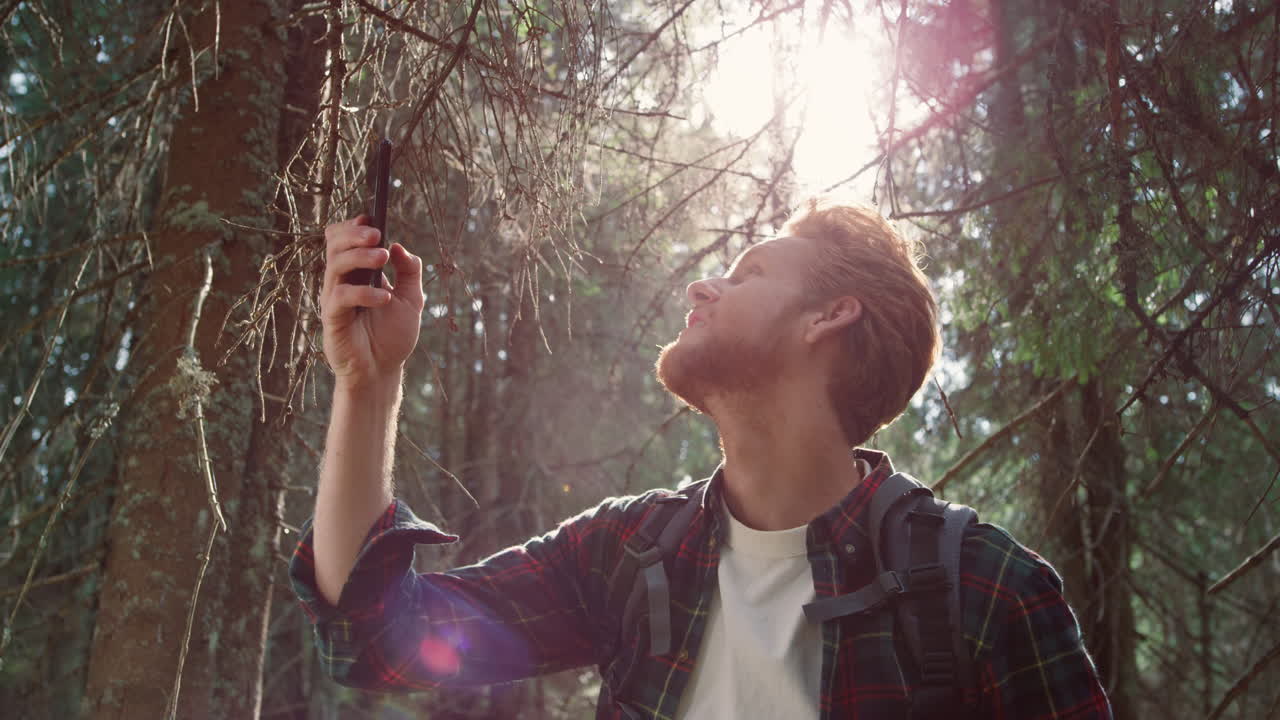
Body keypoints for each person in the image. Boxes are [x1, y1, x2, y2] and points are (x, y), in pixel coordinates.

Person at [290, 198, 1113, 719]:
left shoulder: (985, 589)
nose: (702, 287)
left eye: (747, 273)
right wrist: (368, 384)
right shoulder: (631, 554)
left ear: (830, 316)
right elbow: (376, 641)